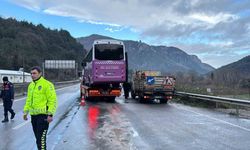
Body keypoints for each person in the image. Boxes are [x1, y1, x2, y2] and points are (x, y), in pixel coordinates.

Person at [23, 66, 57, 150]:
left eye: (34, 73)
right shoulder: (31, 85)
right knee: (38, 138)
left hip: (43, 116)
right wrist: (25, 112)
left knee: (41, 140)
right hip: (33, 116)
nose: (32, 75)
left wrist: (50, 114)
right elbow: (28, 100)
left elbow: (52, 100)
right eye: (31, 73)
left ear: (40, 73)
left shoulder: (47, 84)